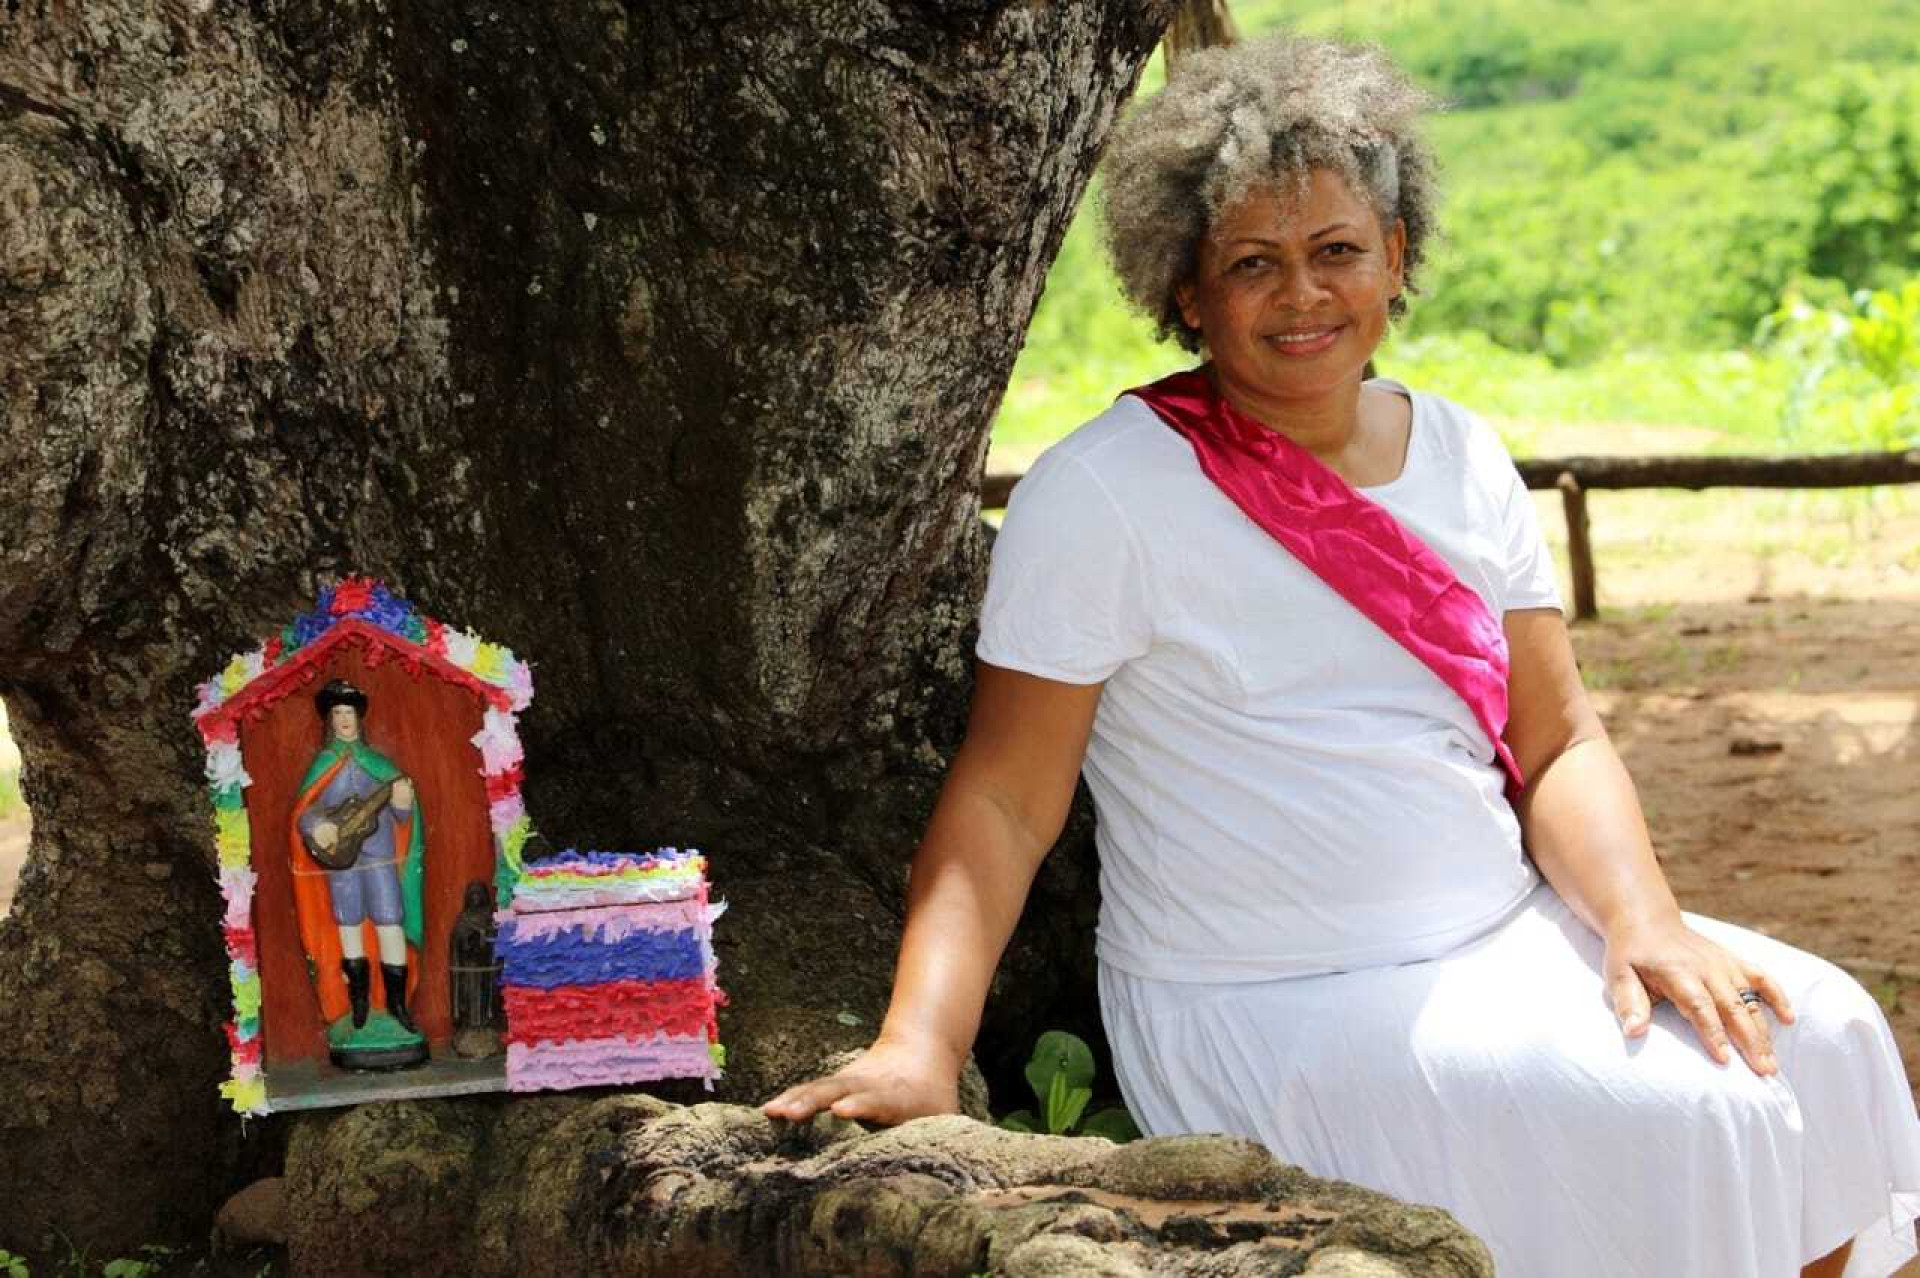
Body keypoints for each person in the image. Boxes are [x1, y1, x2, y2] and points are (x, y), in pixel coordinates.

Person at [765, 34, 1920, 1278]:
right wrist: (920, 1043)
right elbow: (1004, 795)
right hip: (1276, 1000)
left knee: (1828, 1031)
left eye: (1336, 253)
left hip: (1507, 936)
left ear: (1397, 259)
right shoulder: (1104, 495)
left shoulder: (1465, 455)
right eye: (1252, 265)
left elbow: (1561, 737)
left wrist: (1644, 919)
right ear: (1188, 293)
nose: (1302, 296)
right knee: (1696, 1112)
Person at [292, 678, 427, 1064]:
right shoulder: (324, 763)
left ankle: (399, 1007)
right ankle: (359, 1007)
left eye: (349, 713)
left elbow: (404, 817)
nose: (344, 720)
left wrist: (402, 802)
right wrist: (316, 824)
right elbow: (305, 809)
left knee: (389, 922)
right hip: (343, 864)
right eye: (337, 714)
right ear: (329, 721)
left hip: (380, 858)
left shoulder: (380, 764)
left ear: (359, 718)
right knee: (348, 924)